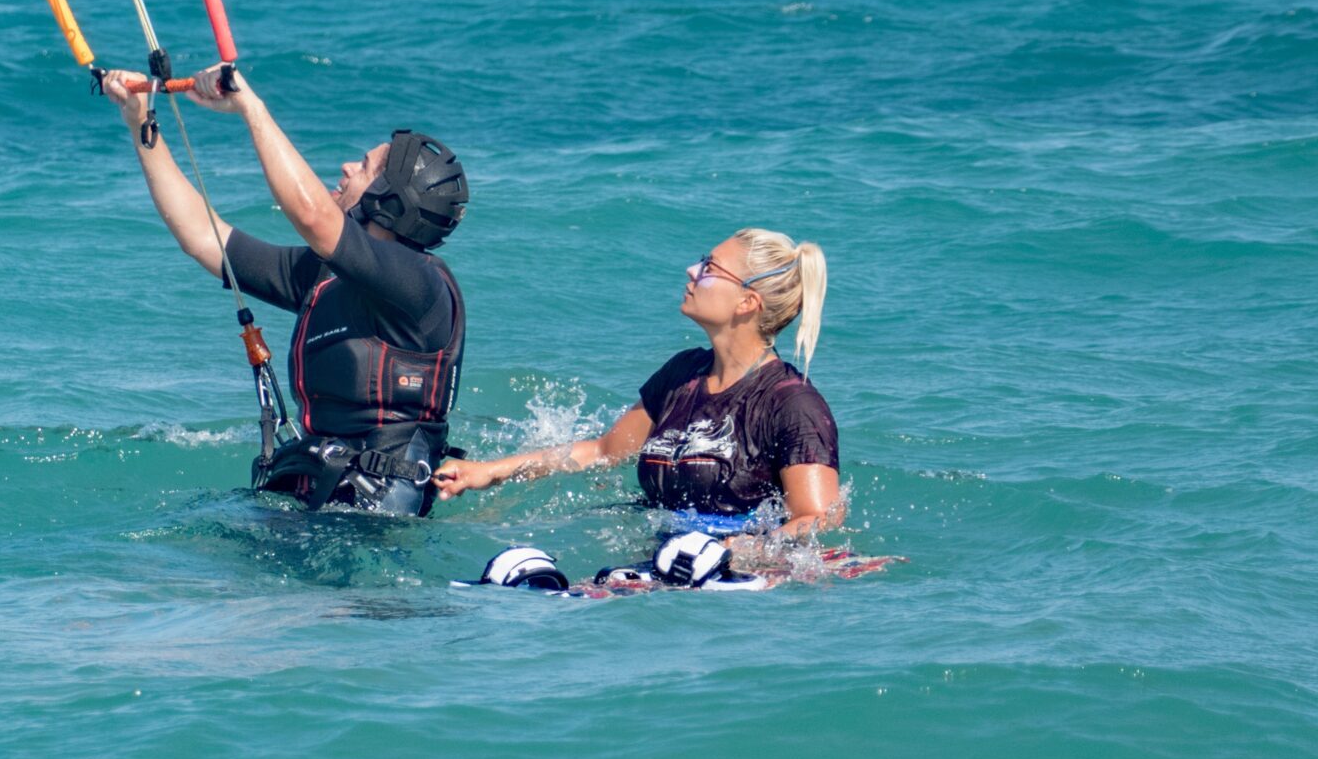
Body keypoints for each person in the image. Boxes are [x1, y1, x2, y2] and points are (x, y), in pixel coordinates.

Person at [102, 63, 467, 515]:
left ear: (389, 202)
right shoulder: (323, 276)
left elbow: (313, 217)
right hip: (323, 497)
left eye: (366, 166)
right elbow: (202, 235)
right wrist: (141, 123)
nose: (348, 166)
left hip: (378, 517)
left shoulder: (420, 286)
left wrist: (250, 108)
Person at [434, 228, 838, 581]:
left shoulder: (792, 402)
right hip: (656, 559)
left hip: (729, 575)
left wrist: (739, 550)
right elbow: (602, 451)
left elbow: (818, 518)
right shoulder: (682, 373)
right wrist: (485, 473)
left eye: (710, 268)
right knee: (520, 574)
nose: (692, 271)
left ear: (747, 302)